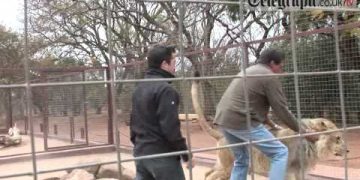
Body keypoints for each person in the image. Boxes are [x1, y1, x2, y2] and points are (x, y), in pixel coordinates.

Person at [214, 49, 316, 180]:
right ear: (272, 63)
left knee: (241, 159)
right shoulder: (269, 76)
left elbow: (249, 103)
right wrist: (304, 131)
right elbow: (281, 109)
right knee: (280, 152)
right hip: (242, 121)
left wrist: (271, 123)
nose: (280, 70)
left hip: (223, 119)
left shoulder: (248, 71)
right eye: (280, 66)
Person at [130, 45, 192, 180]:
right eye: (174, 63)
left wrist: (138, 146)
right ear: (164, 64)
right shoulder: (166, 90)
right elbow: (170, 127)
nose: (175, 67)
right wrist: (185, 153)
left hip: (141, 153)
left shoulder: (139, 88)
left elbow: (133, 122)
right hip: (162, 155)